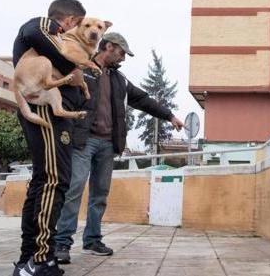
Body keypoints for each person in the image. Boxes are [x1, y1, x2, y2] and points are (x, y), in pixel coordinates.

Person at [54, 32, 184, 264]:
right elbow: (63, 96)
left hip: (108, 144)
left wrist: (169, 115)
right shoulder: (81, 70)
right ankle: (61, 243)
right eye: (122, 53)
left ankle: (92, 240)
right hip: (82, 141)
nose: (123, 58)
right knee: (74, 190)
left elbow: (143, 100)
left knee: (100, 195)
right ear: (109, 47)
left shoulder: (120, 79)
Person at [12, 0, 87, 276]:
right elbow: (32, 29)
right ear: (68, 21)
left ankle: (28, 259)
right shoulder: (44, 26)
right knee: (54, 180)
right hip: (45, 109)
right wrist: (71, 69)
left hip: (49, 110)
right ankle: (40, 259)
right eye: (78, 25)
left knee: (44, 180)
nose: (78, 32)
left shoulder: (54, 44)